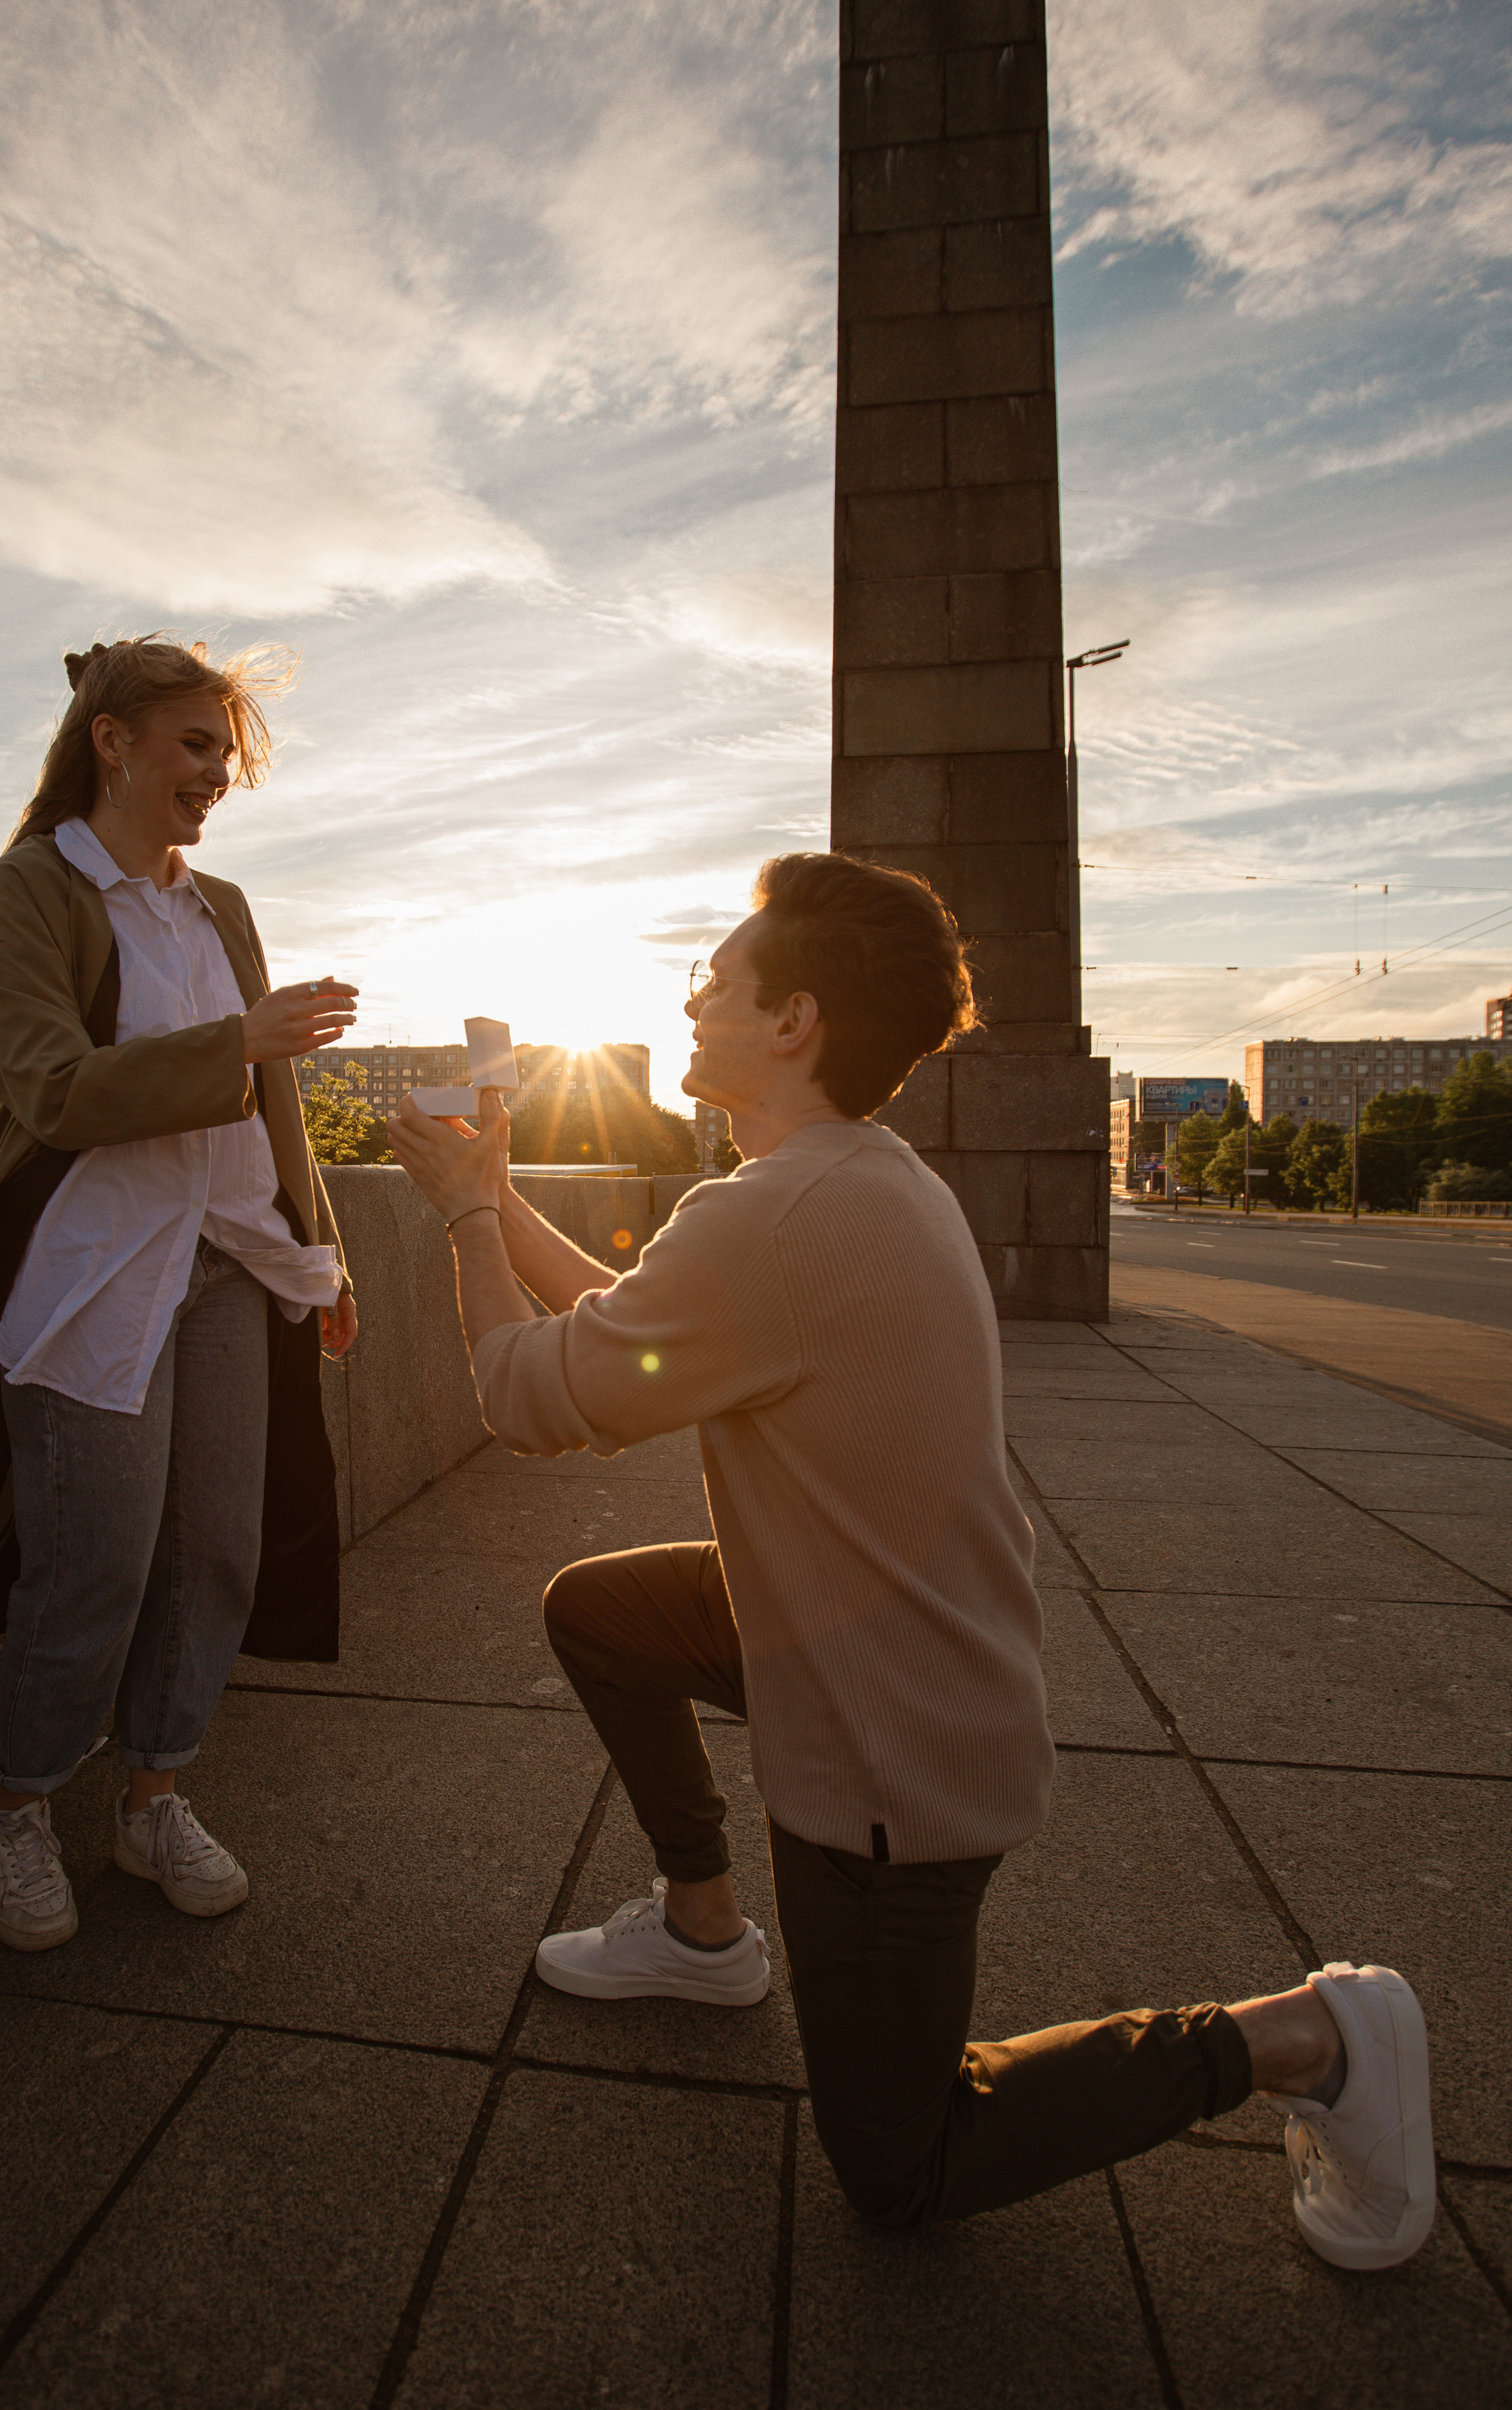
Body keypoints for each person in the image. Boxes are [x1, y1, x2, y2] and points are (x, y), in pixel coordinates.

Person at [388, 852, 1434, 2269]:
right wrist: (502, 1190)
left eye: (719, 981)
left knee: (900, 2162)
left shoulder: (781, 1214)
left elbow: (527, 1396)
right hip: (869, 1636)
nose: (691, 998)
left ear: (795, 1021)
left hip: (895, 1746)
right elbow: (634, 1331)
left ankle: (1307, 2038)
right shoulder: (848, 1182)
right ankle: (703, 1932)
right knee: (607, 1613)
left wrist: (455, 1211)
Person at [0, 635, 361, 1954]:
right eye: (194, 746)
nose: (215, 777)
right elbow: (50, 1092)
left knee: (215, 1554)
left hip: (231, 1263)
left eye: (224, 757)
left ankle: (154, 1798)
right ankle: (17, 1808)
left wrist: (320, 1247)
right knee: (97, 1567)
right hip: (93, 1272)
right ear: (111, 741)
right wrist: (237, 1040)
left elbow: (272, 1104)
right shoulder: (33, 888)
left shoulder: (218, 904)